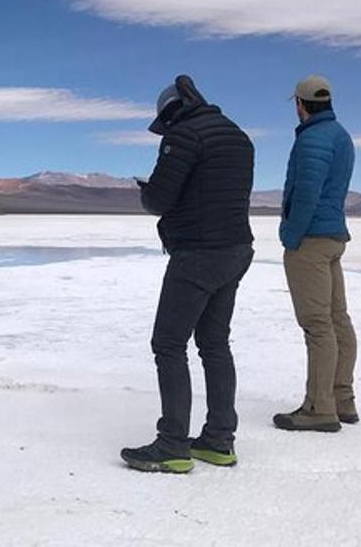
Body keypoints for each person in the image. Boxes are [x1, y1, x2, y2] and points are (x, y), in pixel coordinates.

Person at [121, 75, 255, 474]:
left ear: (171, 113)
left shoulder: (183, 137)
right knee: (214, 343)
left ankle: (173, 444)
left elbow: (161, 199)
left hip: (198, 253)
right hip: (236, 249)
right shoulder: (238, 136)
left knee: (168, 343)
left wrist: (146, 192)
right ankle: (218, 439)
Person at [273, 74, 358, 433]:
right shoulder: (341, 136)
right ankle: (342, 399)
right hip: (334, 235)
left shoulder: (311, 140)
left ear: (300, 104)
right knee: (338, 319)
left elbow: (306, 192)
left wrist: (290, 234)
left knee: (318, 324)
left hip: (311, 240)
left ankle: (319, 407)